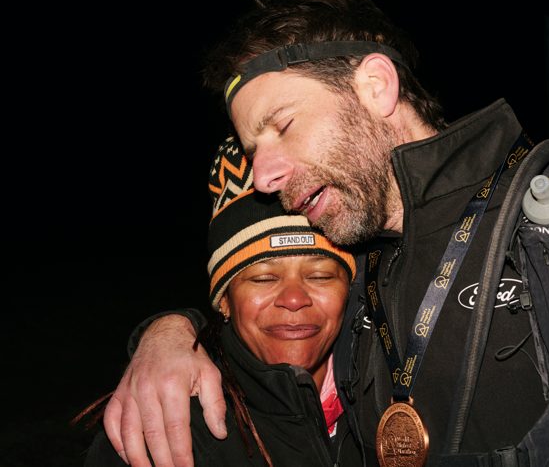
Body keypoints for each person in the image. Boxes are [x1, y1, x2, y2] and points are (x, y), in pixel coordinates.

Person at [103, 0, 549, 467]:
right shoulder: (360, 271)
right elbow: (263, 340)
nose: (263, 176)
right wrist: (169, 334)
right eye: (253, 152)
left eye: (280, 127)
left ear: (375, 86)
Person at [85, 137, 362, 466]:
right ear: (225, 300)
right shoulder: (164, 428)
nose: (293, 299)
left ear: (349, 290)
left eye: (320, 276)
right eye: (263, 278)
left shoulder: (387, 384)